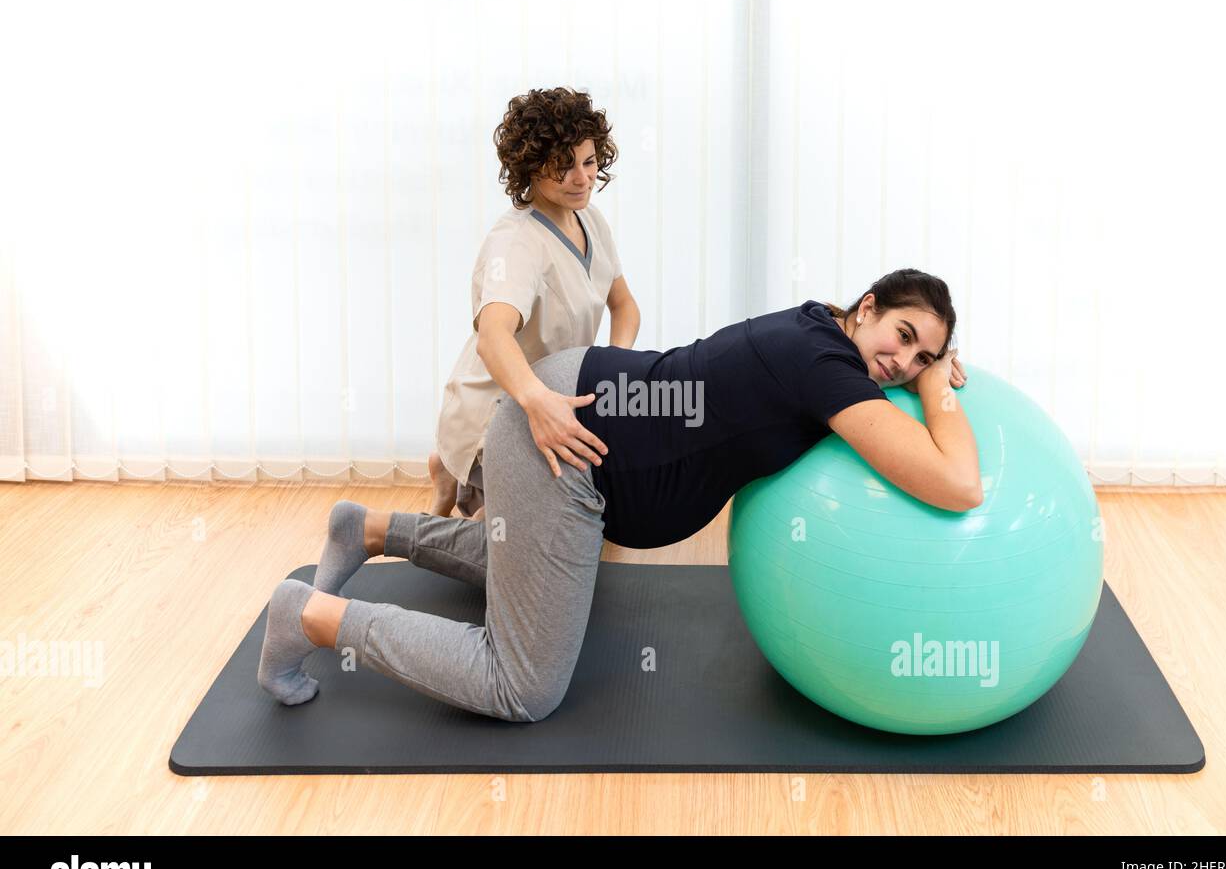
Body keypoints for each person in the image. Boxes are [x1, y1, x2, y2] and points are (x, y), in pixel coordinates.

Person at [257, 269, 977, 722]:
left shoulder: (819, 324)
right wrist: (940, 393)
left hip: (584, 404)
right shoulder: (825, 367)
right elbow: (957, 485)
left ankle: (372, 529)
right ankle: (314, 618)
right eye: (903, 337)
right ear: (869, 306)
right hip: (564, 442)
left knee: (543, 561)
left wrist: (919, 370)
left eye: (922, 357)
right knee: (523, 687)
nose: (902, 363)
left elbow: (862, 361)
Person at [428, 86, 640, 522]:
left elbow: (625, 306)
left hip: (555, 398)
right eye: (564, 168)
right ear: (530, 167)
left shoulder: (590, 220)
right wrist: (537, 400)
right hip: (496, 410)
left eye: (589, 162)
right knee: (524, 531)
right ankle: (455, 472)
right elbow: (492, 338)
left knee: (598, 499)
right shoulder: (518, 243)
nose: (582, 179)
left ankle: (455, 478)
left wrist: (614, 367)